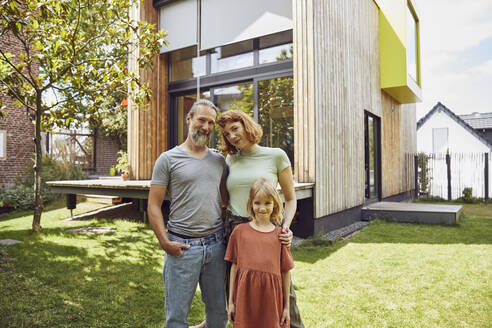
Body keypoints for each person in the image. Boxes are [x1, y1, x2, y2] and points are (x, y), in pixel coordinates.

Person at [218, 109, 305, 328]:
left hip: (268, 228)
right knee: (239, 287)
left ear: (246, 126)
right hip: (236, 229)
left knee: (283, 290)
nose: (232, 136)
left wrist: (284, 227)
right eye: (227, 134)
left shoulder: (276, 155)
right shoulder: (230, 159)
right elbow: (226, 197)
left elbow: (291, 199)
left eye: (235, 129)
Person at [147, 99, 228, 328]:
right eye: (202, 120)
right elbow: (154, 205)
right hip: (182, 247)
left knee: (218, 313)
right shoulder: (167, 159)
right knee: (176, 316)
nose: (206, 127)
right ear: (189, 119)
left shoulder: (219, 160)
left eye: (211, 123)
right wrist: (164, 242)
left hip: (215, 246)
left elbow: (225, 197)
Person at [226, 177, 294, 327]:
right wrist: (231, 302)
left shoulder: (280, 236)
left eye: (267, 203)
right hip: (245, 300)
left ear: (275, 205)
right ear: (251, 204)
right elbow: (234, 268)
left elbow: (285, 272)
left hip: (271, 302)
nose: (262, 208)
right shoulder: (239, 232)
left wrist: (286, 308)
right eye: (257, 203)